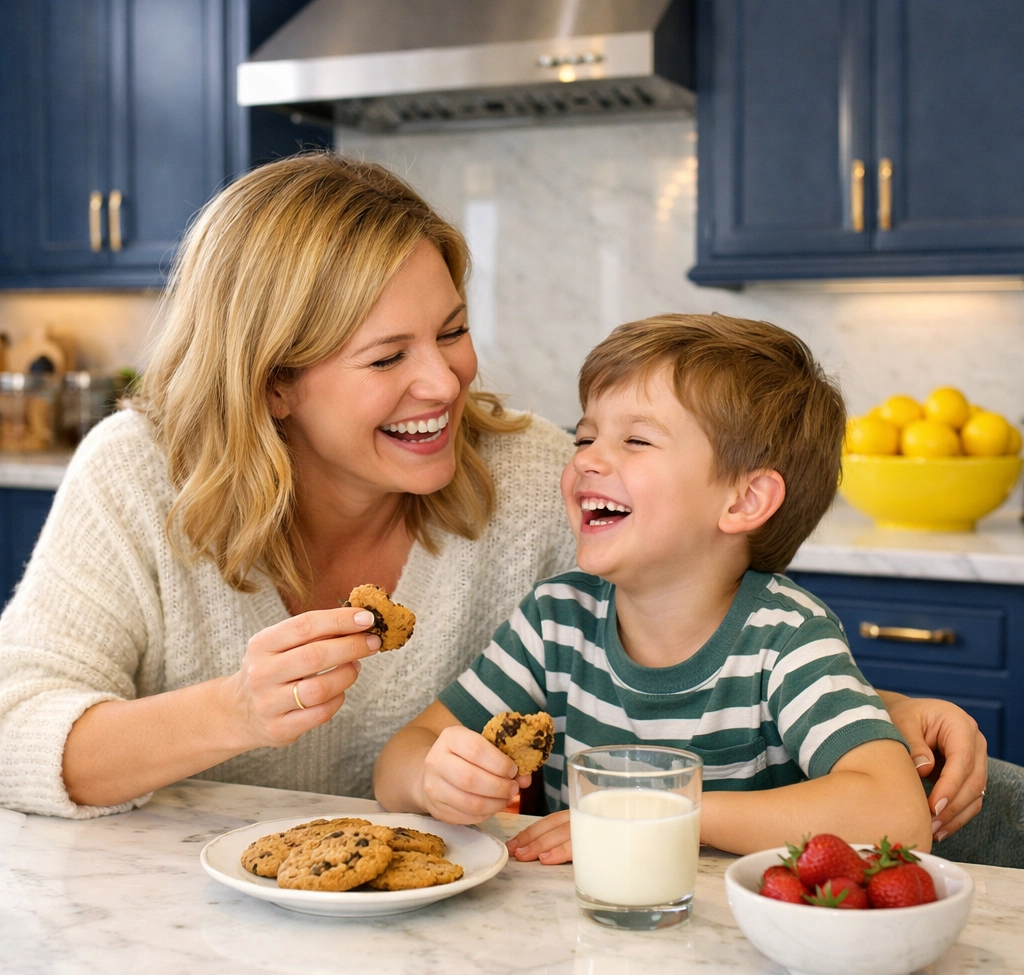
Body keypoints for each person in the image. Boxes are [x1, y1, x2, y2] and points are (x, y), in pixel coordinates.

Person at [0, 155, 984, 834]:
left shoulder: (521, 479)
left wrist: (875, 708)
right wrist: (236, 712)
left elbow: (677, 610)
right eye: (387, 356)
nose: (446, 382)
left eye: (453, 329)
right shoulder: (138, 473)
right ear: (273, 384)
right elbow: (13, 734)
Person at [374, 315, 944, 856]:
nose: (588, 461)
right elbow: (399, 759)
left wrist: (663, 813)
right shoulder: (556, 620)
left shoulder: (786, 638)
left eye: (636, 441)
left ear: (744, 500)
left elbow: (895, 815)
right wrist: (434, 779)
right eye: (585, 437)